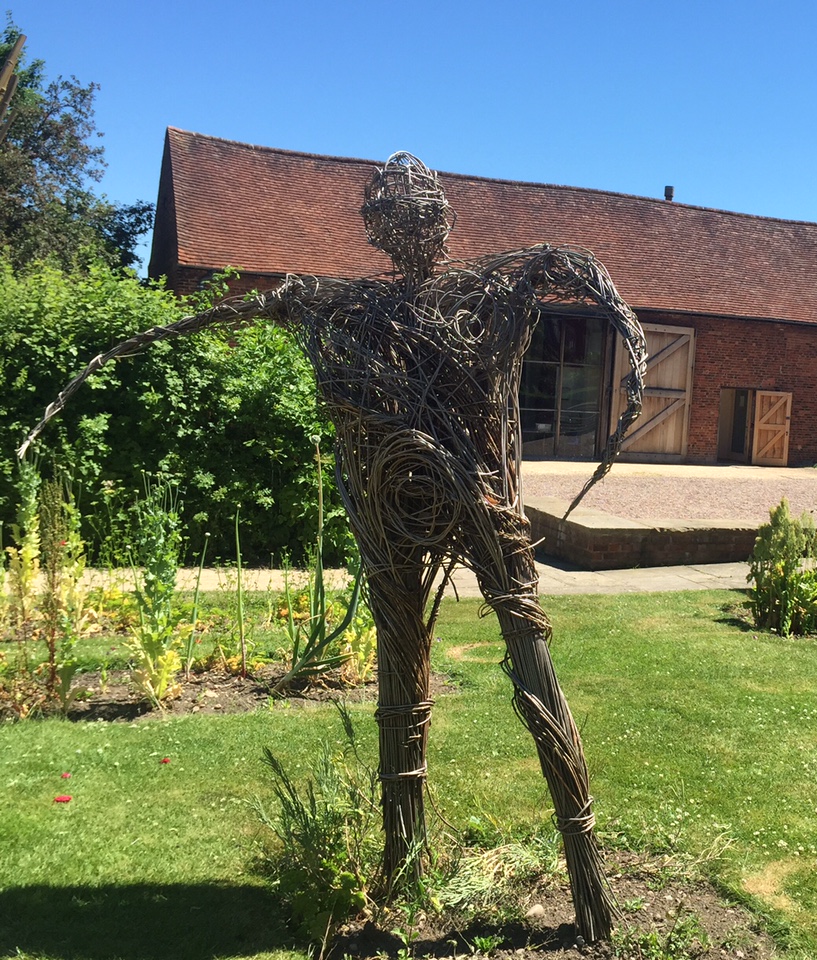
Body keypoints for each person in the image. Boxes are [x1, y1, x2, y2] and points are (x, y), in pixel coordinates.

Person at [21, 153, 646, 940]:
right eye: (394, 216)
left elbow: (591, 283)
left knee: (528, 657)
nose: (409, 226)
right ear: (376, 228)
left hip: (483, 507)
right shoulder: (336, 304)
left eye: (420, 213)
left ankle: (587, 892)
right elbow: (211, 317)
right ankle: (403, 864)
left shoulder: (493, 288)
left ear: (441, 221)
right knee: (403, 677)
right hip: (389, 519)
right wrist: (99, 365)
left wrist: (628, 387)